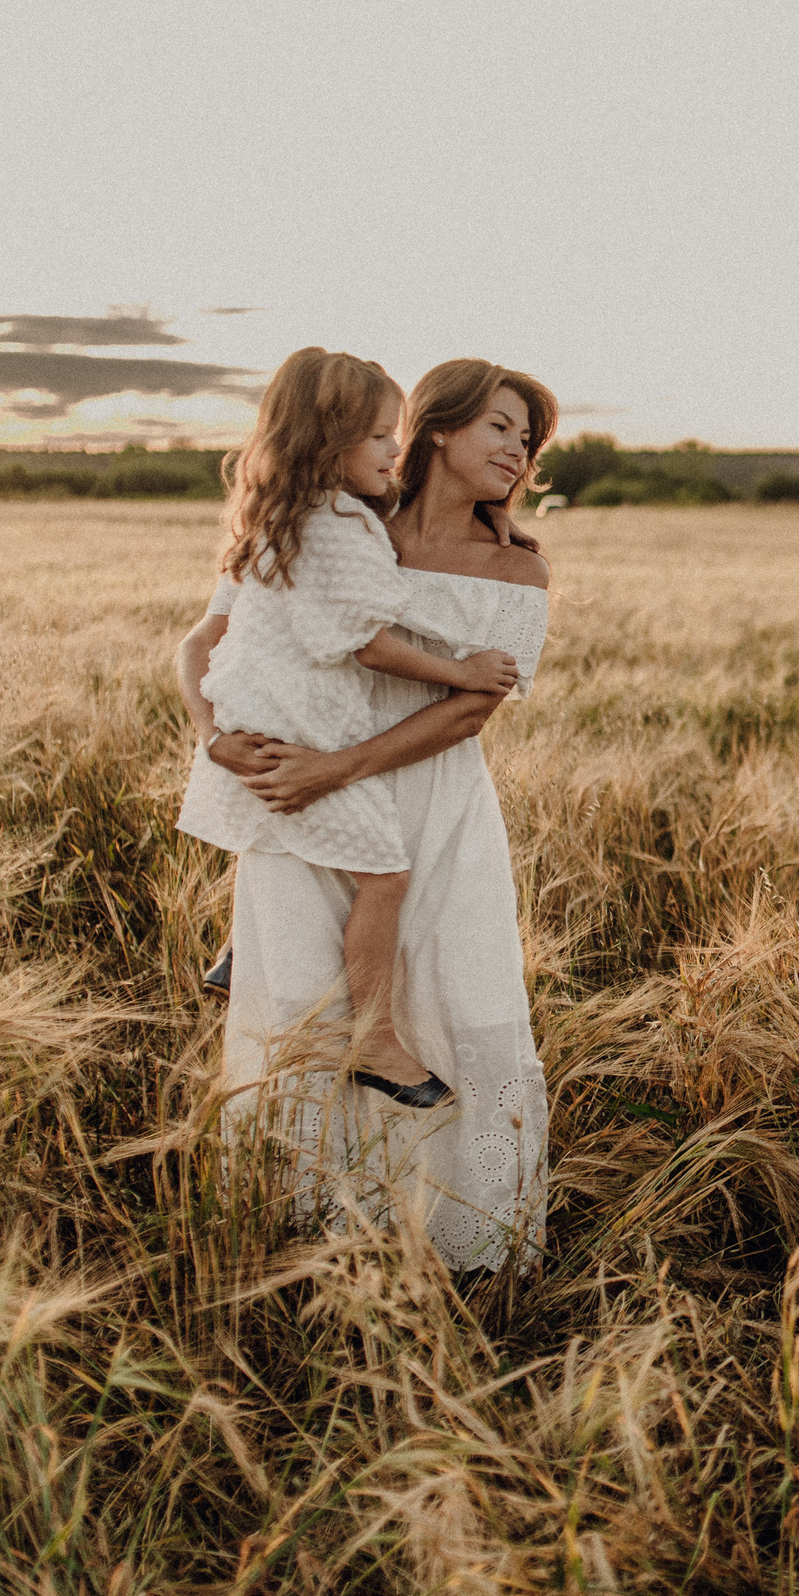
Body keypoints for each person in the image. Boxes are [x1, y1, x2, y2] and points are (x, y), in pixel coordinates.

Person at [174, 357, 559, 1273]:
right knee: (304, 1007)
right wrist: (214, 735)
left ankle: (470, 1241)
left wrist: (336, 768)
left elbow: (470, 710)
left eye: (530, 439)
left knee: (461, 999)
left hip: (431, 803)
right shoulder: (333, 520)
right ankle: (305, 1236)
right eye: (501, 427)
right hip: (306, 804)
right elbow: (207, 639)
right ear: (438, 428)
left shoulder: (519, 568)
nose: (519, 451)